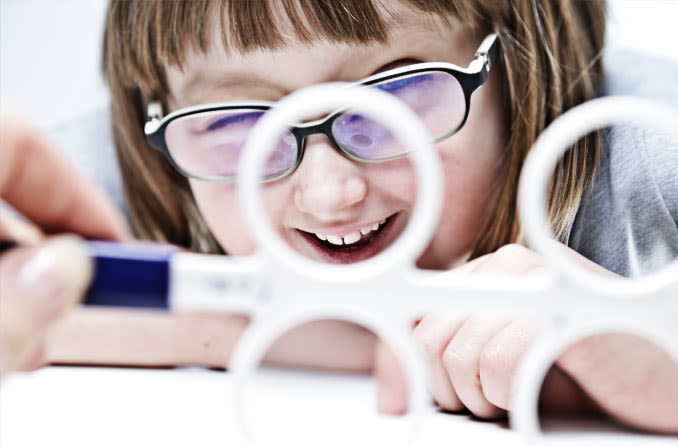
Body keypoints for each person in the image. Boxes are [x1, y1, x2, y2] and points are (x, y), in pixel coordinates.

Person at [1, 0, 676, 434]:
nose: (329, 195)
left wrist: (644, 360)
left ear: (522, 59)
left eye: (399, 93)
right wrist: (260, 319)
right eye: (242, 124)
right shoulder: (167, 148)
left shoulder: (651, 145)